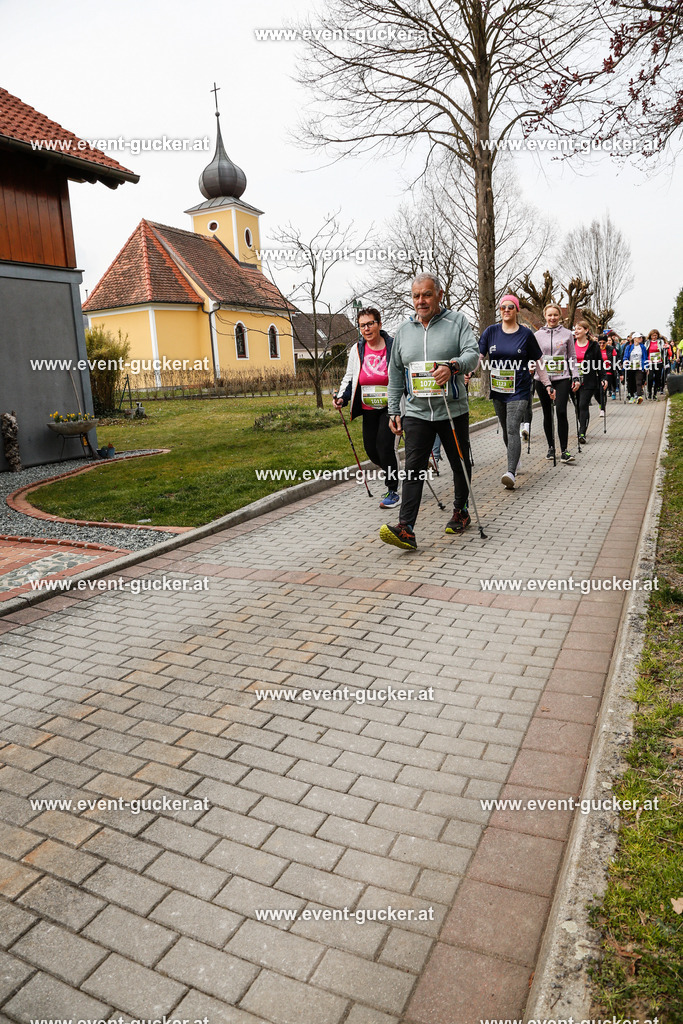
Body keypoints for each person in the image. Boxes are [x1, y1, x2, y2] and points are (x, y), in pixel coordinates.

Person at [379, 272, 479, 551]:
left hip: (452, 410)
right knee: (413, 468)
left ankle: (461, 510)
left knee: (459, 462)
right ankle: (406, 527)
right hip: (416, 412)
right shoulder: (404, 331)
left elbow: (473, 353)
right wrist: (393, 411)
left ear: (439, 294)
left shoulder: (457, 321)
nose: (421, 301)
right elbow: (396, 374)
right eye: (416, 296)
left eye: (426, 294)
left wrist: (454, 366)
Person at [479, 294, 553, 489]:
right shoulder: (491, 332)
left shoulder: (525, 334)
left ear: (516, 310)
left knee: (513, 427)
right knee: (505, 429)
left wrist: (547, 384)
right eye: (503, 307)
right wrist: (467, 372)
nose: (506, 310)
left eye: (510, 307)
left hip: (519, 388)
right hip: (498, 388)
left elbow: (538, 362)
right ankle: (515, 457)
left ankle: (510, 472)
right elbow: (479, 356)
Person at [334, 307, 399, 508]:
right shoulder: (357, 349)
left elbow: (401, 374)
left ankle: (394, 490)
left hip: (389, 406)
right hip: (368, 406)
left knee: (384, 446)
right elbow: (350, 376)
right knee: (371, 451)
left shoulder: (392, 346)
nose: (367, 328)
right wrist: (342, 398)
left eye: (370, 323)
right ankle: (394, 470)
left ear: (379, 324)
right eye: (362, 325)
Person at [533, 304, 580, 464]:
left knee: (561, 412)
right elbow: (534, 357)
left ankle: (564, 450)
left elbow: (572, 357)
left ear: (560, 316)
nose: (552, 318)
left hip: (561, 378)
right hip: (542, 380)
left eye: (555, 315)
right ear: (545, 316)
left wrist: (576, 376)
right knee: (547, 413)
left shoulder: (567, 334)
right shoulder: (538, 335)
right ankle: (551, 447)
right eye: (549, 315)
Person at [573, 321, 607, 441]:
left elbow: (600, 363)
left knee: (583, 405)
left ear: (586, 330)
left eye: (579, 329)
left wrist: (603, 378)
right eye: (575, 329)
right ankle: (582, 424)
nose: (576, 331)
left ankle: (582, 433)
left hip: (589, 380)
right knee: (577, 406)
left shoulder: (593, 346)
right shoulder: (571, 344)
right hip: (573, 380)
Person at [623, 332, 648, 403]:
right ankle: (631, 396)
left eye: (641, 337)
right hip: (630, 367)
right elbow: (625, 356)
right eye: (639, 337)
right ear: (634, 339)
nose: (641, 339)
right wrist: (625, 361)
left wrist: (646, 366)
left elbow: (645, 357)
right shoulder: (629, 347)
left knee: (639, 381)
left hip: (639, 367)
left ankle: (639, 396)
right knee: (631, 382)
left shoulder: (642, 347)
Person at [646, 329, 666, 400]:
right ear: (650, 336)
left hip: (658, 362)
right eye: (652, 335)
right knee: (650, 378)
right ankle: (649, 392)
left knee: (658, 378)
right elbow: (646, 351)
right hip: (650, 362)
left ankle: (655, 393)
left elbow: (664, 349)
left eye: (655, 335)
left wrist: (665, 347)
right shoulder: (648, 342)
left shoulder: (660, 342)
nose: (654, 337)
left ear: (657, 335)